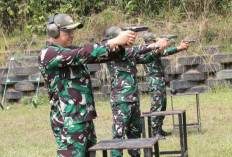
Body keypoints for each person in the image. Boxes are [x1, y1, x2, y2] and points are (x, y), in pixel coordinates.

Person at [38, 13, 136, 157]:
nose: (72, 35)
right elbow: (82, 53)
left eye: (73, 31)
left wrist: (118, 47)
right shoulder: (48, 53)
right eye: (68, 31)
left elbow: (99, 55)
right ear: (54, 31)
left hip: (83, 117)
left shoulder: (70, 50)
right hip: (69, 120)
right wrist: (112, 42)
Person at [105, 27, 169, 157]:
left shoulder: (129, 53)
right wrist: (155, 45)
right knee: (119, 135)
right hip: (121, 101)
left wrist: (157, 51)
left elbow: (145, 58)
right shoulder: (111, 51)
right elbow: (136, 50)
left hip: (133, 99)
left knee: (135, 134)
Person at [143, 32, 190, 139]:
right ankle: (155, 132)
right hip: (155, 80)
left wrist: (179, 48)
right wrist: (179, 48)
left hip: (159, 79)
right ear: (149, 41)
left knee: (162, 104)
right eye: (154, 41)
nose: (156, 42)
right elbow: (165, 52)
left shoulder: (152, 49)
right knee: (157, 105)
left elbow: (163, 51)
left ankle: (159, 128)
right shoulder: (147, 50)